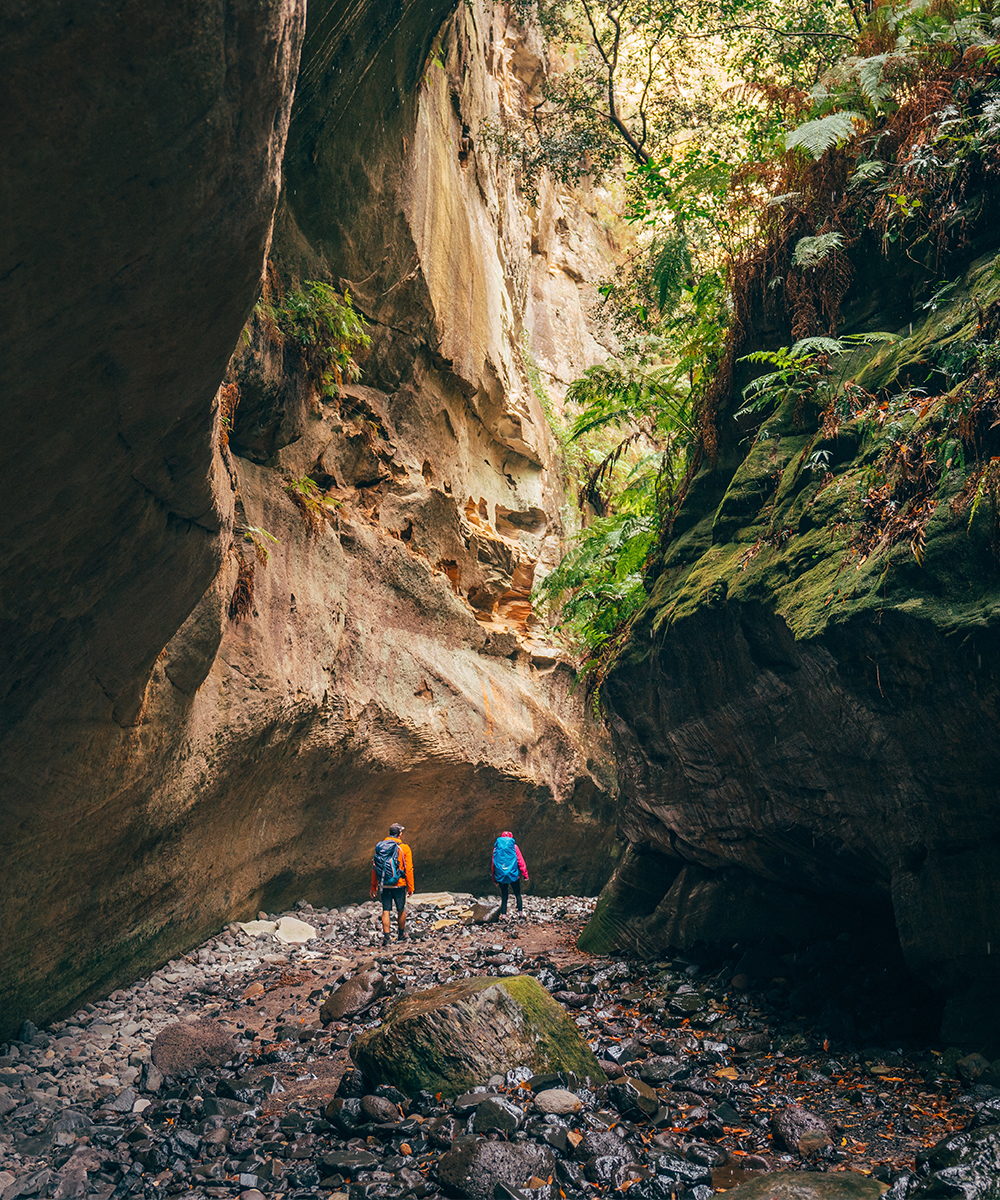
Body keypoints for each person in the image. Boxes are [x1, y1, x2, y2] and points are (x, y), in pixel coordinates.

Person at [370, 822, 414, 945]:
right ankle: (401, 935)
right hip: (399, 884)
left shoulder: (380, 848)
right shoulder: (404, 848)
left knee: (386, 910)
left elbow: (375, 867)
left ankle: (387, 938)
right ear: (399, 834)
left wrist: (374, 886)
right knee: (401, 909)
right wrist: (410, 887)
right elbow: (409, 869)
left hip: (384, 884)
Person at [492, 830, 528, 917]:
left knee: (504, 896)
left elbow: (494, 864)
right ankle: (520, 913)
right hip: (513, 874)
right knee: (517, 894)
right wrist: (525, 874)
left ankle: (504, 915)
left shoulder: (496, 848)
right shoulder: (514, 847)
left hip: (501, 875)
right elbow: (520, 861)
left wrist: (494, 878)